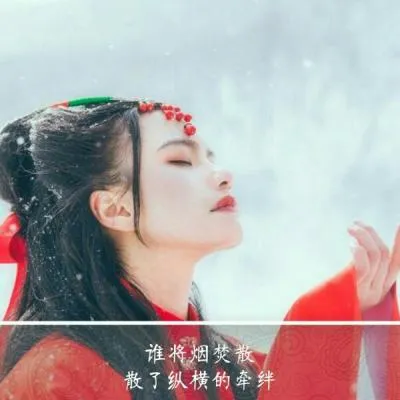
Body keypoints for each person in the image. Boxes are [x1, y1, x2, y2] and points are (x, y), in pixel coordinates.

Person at [0, 97, 398, 399]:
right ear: (115, 208)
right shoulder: (59, 374)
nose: (223, 176)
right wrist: (316, 323)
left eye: (209, 159)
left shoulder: (230, 364)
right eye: (180, 161)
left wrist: (350, 311)